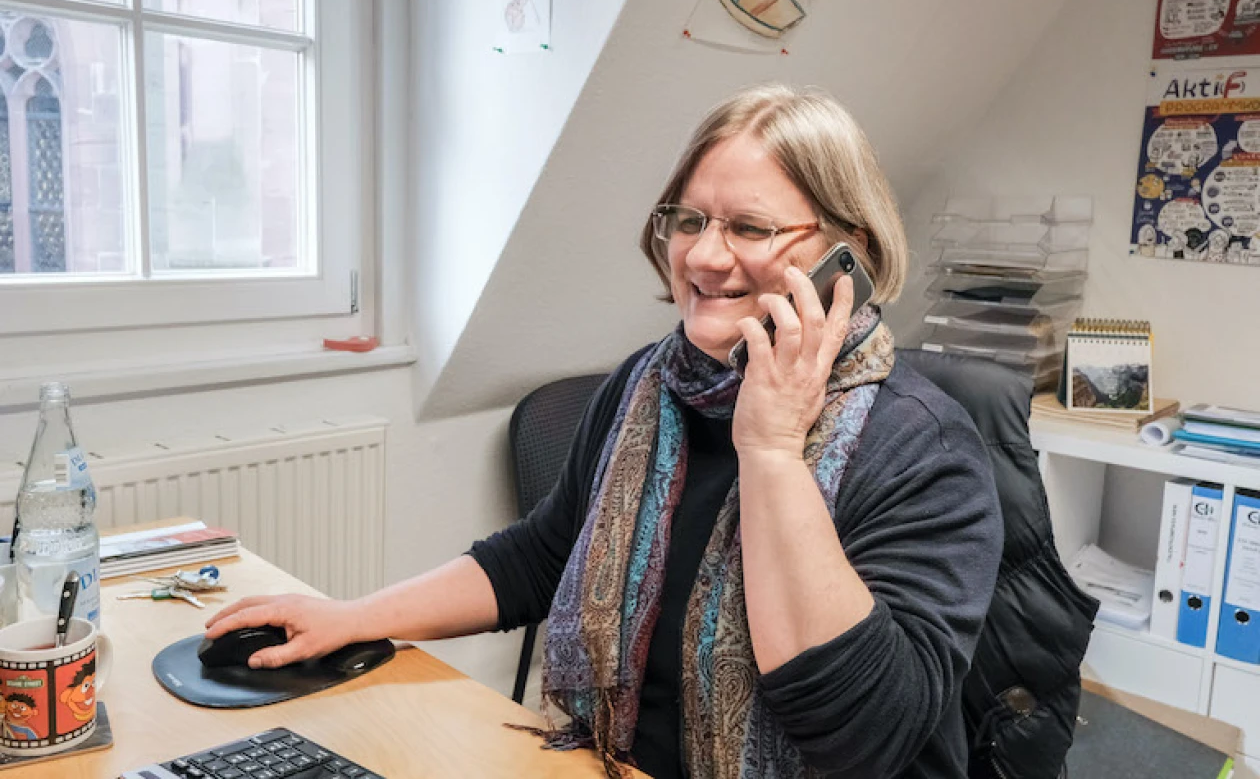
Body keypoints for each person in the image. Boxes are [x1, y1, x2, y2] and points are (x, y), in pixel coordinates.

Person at [205, 84, 1003, 779]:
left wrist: (771, 450)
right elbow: (543, 553)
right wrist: (354, 616)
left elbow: (869, 734)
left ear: (848, 253)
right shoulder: (649, 386)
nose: (705, 254)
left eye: (751, 228)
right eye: (690, 219)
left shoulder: (923, 447)